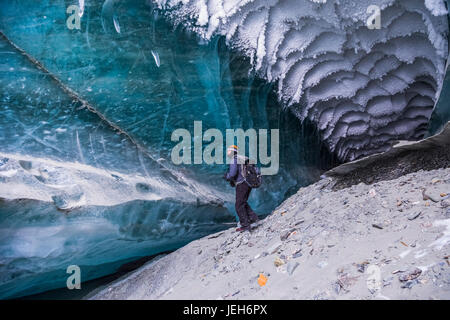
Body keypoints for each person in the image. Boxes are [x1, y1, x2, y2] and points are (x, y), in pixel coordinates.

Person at [224, 145, 259, 232]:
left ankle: (245, 225)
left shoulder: (234, 159)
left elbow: (232, 174)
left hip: (242, 183)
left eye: (228, 151)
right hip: (248, 183)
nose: (227, 152)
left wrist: (226, 176)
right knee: (243, 202)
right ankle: (253, 219)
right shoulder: (242, 158)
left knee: (238, 205)